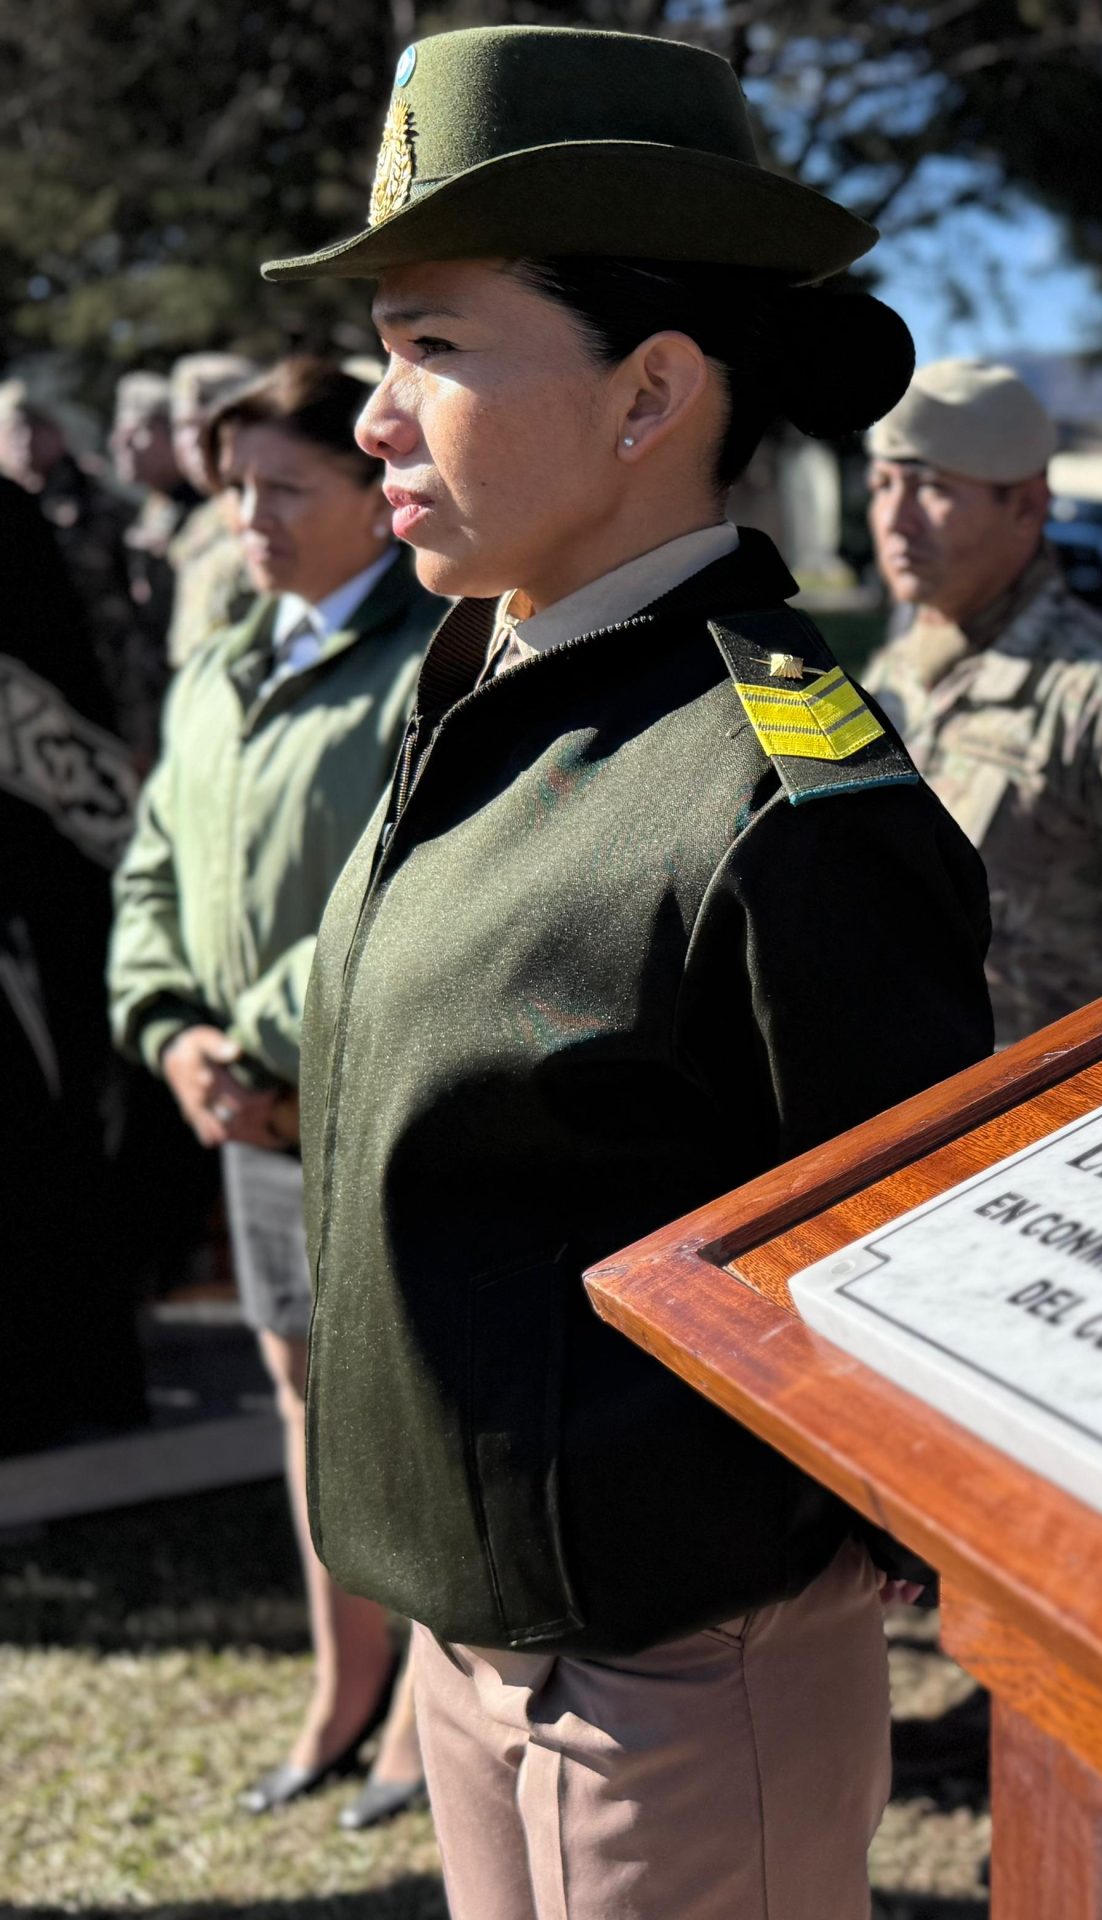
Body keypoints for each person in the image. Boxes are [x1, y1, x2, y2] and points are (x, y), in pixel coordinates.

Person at [261, 25, 991, 1916]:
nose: (375, 416)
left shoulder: (774, 782)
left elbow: (894, 1254)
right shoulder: (496, 684)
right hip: (476, 1635)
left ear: (651, 391)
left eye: (433, 345)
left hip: (670, 1671)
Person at [106, 357, 443, 1828]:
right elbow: (152, 870)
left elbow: (410, 884)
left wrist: (250, 1041)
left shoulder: (441, 659)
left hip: (377, 1104)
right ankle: (341, 1687)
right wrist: (174, 1035)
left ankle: (424, 1711)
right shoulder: (217, 666)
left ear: (376, 498)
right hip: (247, 1119)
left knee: (413, 1413)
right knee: (304, 1398)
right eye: (237, 486)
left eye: (285, 487)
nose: (248, 516)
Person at [864, 359, 1102, 1045]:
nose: (894, 520)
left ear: (1026, 507)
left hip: (1053, 1094)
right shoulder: (891, 675)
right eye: (882, 485)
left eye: (931, 489)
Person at [0, 474, 144, 1454]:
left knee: (41, 1125)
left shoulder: (8, 521)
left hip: (30, 887)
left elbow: (58, 712)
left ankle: (61, 1373)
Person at [0, 380, 158, 753]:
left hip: (113, 678)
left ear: (59, 432)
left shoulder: (101, 503)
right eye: (12, 429)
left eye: (36, 427)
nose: (24, 440)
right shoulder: (10, 510)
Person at [165, 351, 261, 667]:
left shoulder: (285, 511)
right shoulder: (197, 524)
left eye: (210, 422)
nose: (195, 440)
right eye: (183, 426)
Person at [110, 370, 198, 659]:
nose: (121, 442)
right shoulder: (152, 506)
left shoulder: (206, 509)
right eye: (120, 430)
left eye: (140, 431)